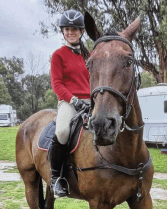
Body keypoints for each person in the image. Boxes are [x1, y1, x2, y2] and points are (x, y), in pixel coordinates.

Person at [49, 10, 90, 198]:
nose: (70, 32)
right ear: (63, 32)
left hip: (91, 101)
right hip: (69, 102)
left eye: (74, 29)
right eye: (67, 29)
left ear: (81, 31)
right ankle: (56, 178)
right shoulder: (58, 55)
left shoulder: (89, 55)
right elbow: (57, 84)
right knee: (63, 131)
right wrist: (74, 100)